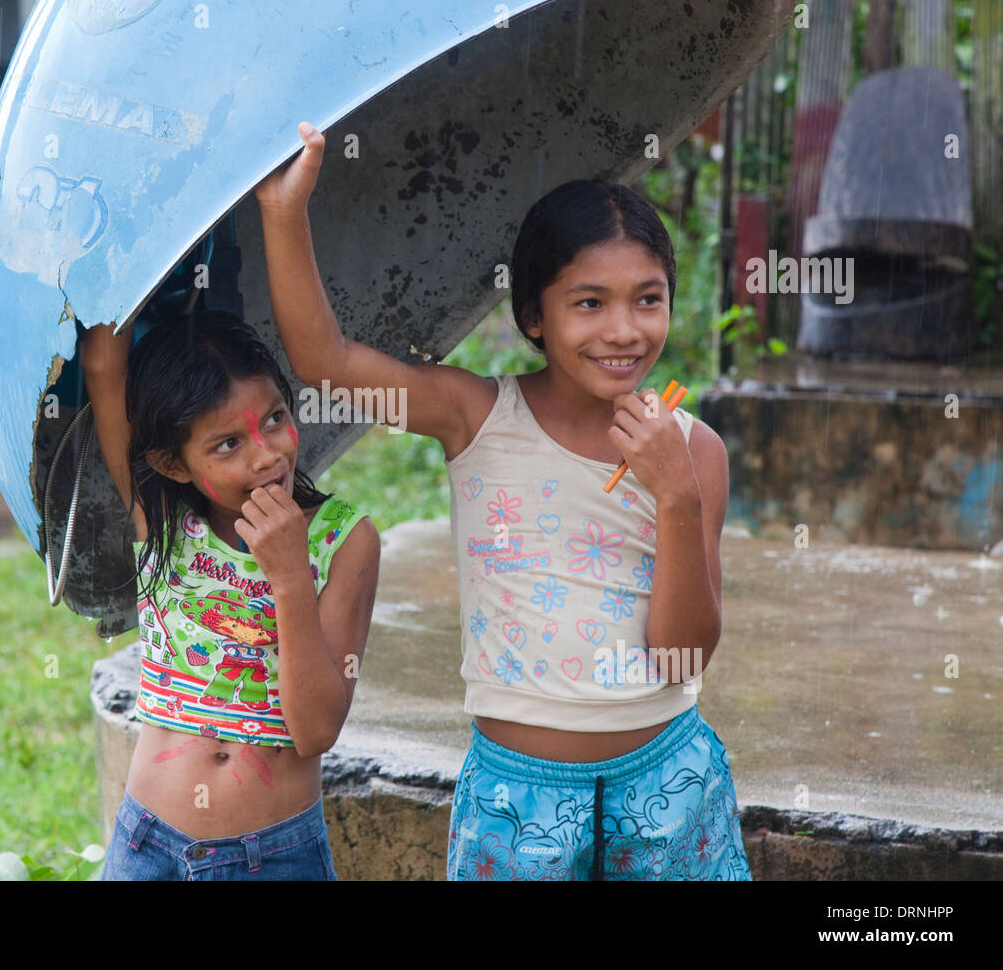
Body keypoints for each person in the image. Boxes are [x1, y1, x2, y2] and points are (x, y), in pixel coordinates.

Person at [253, 123, 751, 881]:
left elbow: (683, 654)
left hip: (668, 782)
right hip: (519, 797)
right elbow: (327, 363)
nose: (623, 330)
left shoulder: (696, 450)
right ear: (533, 318)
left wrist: (675, 494)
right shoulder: (474, 417)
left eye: (647, 300)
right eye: (589, 303)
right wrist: (283, 215)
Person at [81, 309, 379, 880]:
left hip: (272, 858)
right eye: (227, 444)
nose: (266, 455)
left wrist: (290, 575)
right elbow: (103, 364)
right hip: (148, 846)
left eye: (274, 418)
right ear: (172, 464)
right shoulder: (159, 518)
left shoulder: (343, 540)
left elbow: (315, 730)